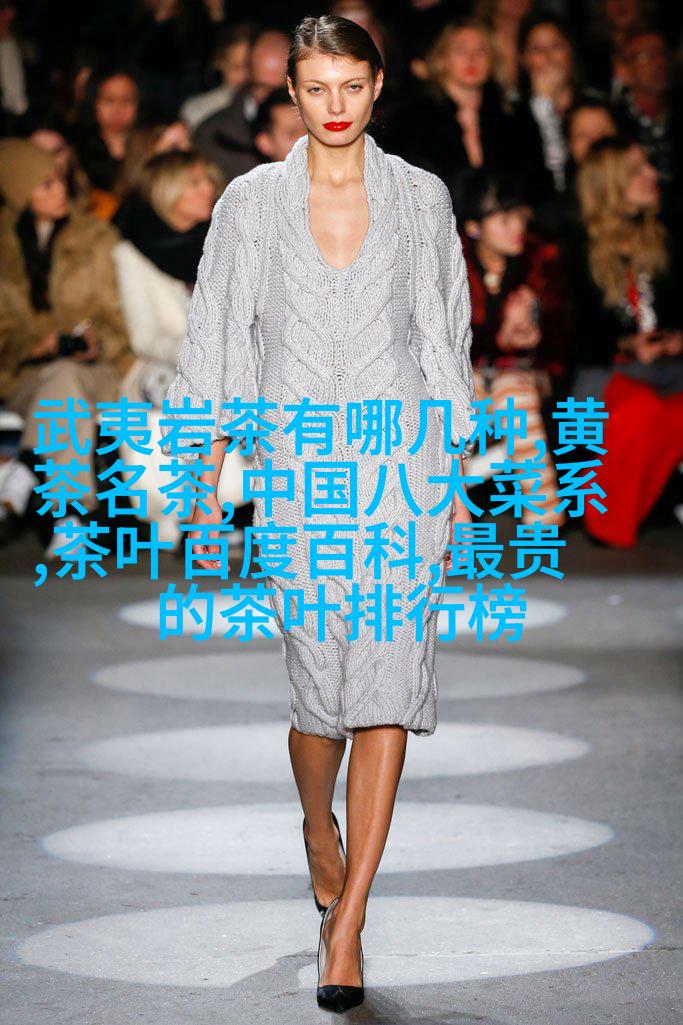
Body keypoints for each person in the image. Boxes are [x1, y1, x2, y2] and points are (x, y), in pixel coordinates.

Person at [159, 13, 476, 1012]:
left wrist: (451, 470)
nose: (334, 105)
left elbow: (445, 335)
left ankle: (349, 924)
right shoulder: (250, 203)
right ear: (290, 94)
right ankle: (313, 822)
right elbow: (217, 334)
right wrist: (204, 472)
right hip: (298, 471)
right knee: (318, 696)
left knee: (386, 686)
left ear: (377, 85)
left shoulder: (421, 197)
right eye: (315, 88)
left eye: (351, 85)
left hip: (400, 468)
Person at [0, 139, 134, 557]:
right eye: (45, 185)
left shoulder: (95, 236)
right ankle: (68, 514)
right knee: (61, 381)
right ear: (20, 194)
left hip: (98, 371)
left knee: (66, 377)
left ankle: (33, 472)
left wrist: (94, 340)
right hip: (23, 376)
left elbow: (121, 320)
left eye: (59, 180)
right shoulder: (4, 251)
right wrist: (34, 345)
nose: (60, 190)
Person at [564, 136, 683, 548]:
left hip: (667, 367)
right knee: (641, 410)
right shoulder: (577, 243)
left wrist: (675, 340)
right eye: (636, 171)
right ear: (610, 185)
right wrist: (627, 345)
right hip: (605, 370)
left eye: (648, 166)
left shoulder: (664, 235)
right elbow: (576, 334)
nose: (652, 175)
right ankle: (608, 524)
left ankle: (630, 513)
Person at [458, 169, 568, 528]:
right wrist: (500, 333)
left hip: (527, 374)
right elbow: (444, 337)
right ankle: (450, 519)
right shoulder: (453, 263)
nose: (516, 227)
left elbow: (567, 333)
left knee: (513, 394)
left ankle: (543, 514)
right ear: (474, 226)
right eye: (504, 219)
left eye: (519, 216)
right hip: (467, 374)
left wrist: (538, 333)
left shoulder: (539, 259)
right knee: (454, 403)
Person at [382, 17, 552, 211]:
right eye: (461, 50)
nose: (472, 59)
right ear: (442, 58)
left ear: (492, 60)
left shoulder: (514, 118)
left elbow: (539, 185)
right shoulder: (411, 120)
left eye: (481, 51)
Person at [192, 26, 290, 183]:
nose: (270, 97)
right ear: (247, 76)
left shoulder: (315, 128)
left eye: (280, 90)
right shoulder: (211, 135)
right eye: (262, 87)